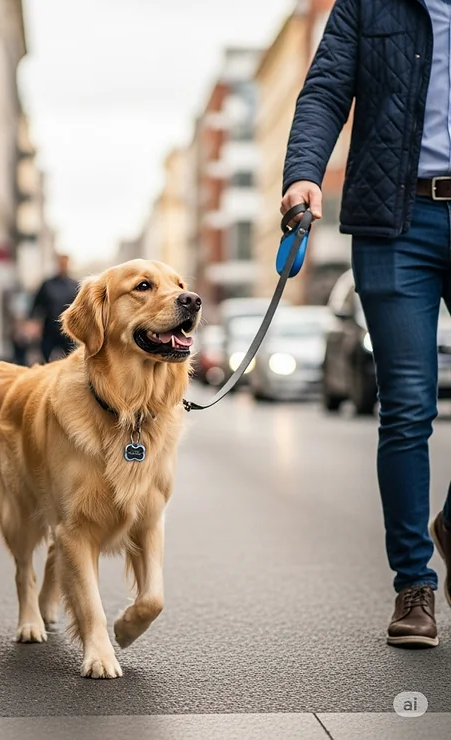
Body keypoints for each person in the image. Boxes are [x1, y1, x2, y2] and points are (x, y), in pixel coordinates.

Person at [282, 0, 451, 648]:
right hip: (395, 221)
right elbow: (325, 88)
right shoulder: (367, 3)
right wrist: (302, 173)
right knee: (408, 404)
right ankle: (414, 584)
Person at [29, 254, 78, 363]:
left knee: (71, 360)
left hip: (67, 330)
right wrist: (32, 323)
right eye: (61, 263)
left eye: (65, 264)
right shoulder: (48, 285)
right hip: (49, 329)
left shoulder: (74, 286)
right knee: (45, 359)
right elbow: (36, 305)